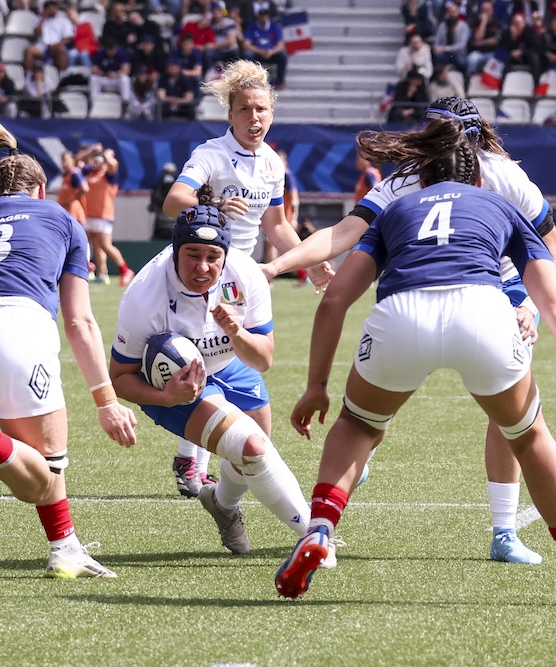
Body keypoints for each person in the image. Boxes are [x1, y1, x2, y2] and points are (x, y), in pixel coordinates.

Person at [274, 120, 556, 607]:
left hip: (401, 315)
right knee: (527, 436)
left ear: (422, 176)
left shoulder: (396, 207)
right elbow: (554, 304)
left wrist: (316, 385)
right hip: (481, 312)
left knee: (357, 425)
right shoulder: (500, 203)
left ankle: (318, 530)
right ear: (478, 179)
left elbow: (334, 298)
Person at [260, 97, 556, 565]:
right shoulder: (409, 175)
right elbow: (344, 232)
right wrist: (278, 264)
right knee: (520, 421)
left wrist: (527, 304)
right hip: (451, 288)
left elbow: (550, 253)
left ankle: (502, 530)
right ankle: (553, 551)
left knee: (372, 412)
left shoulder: (501, 175)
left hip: (483, 283)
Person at [0, 120, 137, 579]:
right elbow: (79, 320)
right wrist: (106, 400)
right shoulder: (63, 218)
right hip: (14, 331)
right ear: (42, 190)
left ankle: (65, 548)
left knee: (29, 455)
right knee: (43, 474)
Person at [108, 185, 321, 560]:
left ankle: (221, 505)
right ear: (175, 251)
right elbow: (120, 378)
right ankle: (314, 534)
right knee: (252, 447)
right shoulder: (145, 295)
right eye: (192, 255)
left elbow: (263, 359)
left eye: (212, 257)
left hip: (231, 363)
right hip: (172, 386)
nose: (203, 267)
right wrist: (166, 397)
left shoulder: (245, 275)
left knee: (252, 455)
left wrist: (237, 332)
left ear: (225, 256)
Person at [161, 59, 330, 498]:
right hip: (201, 269)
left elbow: (275, 225)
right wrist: (211, 203)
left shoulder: (272, 163)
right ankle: (191, 457)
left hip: (244, 277)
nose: (255, 118)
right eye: (245, 110)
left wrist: (307, 259)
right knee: (210, 358)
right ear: (230, 114)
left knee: (234, 358)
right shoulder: (210, 155)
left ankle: (195, 456)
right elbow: (173, 200)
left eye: (262, 110)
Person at [78, 144, 136, 286]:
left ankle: (125, 269)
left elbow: (113, 165)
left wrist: (104, 153)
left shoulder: (109, 176)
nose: (96, 163)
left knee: (105, 245)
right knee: (95, 245)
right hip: (89, 214)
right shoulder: (89, 172)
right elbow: (77, 162)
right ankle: (102, 274)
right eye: (95, 160)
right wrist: (91, 151)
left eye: (99, 161)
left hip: (103, 215)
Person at [149, 162, 178, 240]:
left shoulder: (178, 188)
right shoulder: (158, 187)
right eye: (166, 172)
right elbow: (153, 205)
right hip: (160, 223)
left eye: (170, 172)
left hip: (174, 224)